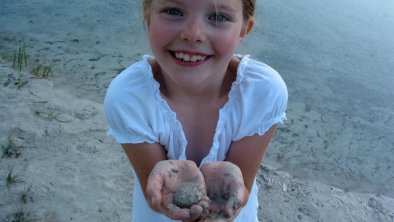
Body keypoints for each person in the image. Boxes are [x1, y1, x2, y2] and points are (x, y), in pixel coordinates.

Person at [104, 0, 288, 221]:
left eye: (219, 17)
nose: (193, 34)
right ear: (148, 17)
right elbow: (153, 198)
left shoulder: (262, 92)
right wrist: (163, 193)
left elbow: (243, 189)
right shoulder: (128, 96)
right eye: (173, 11)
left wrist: (233, 191)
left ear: (243, 30)